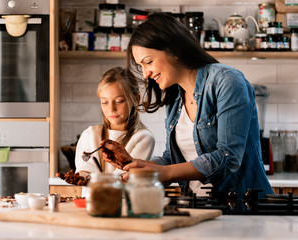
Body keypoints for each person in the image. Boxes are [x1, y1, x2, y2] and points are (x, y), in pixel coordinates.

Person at [101, 13, 273, 199]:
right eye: (141, 66)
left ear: (174, 50)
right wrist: (137, 164)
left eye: (148, 62)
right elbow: (173, 159)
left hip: (240, 206)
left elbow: (228, 157)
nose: (145, 74)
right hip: (198, 207)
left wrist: (163, 173)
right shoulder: (176, 96)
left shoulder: (227, 81)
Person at [74, 66, 155, 176]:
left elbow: (123, 176)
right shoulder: (90, 134)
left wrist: (91, 178)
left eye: (119, 101)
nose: (111, 109)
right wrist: (83, 174)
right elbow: (84, 168)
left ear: (136, 100)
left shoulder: (143, 138)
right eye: (105, 102)